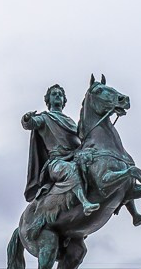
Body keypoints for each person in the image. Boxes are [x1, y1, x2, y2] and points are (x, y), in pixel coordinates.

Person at [22, 83, 99, 236]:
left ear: (64, 100)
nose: (57, 96)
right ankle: (85, 203)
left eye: (60, 94)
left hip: (74, 157)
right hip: (57, 163)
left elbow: (80, 140)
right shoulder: (44, 118)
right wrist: (26, 118)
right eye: (54, 94)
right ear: (48, 100)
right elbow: (30, 124)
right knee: (70, 170)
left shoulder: (70, 121)